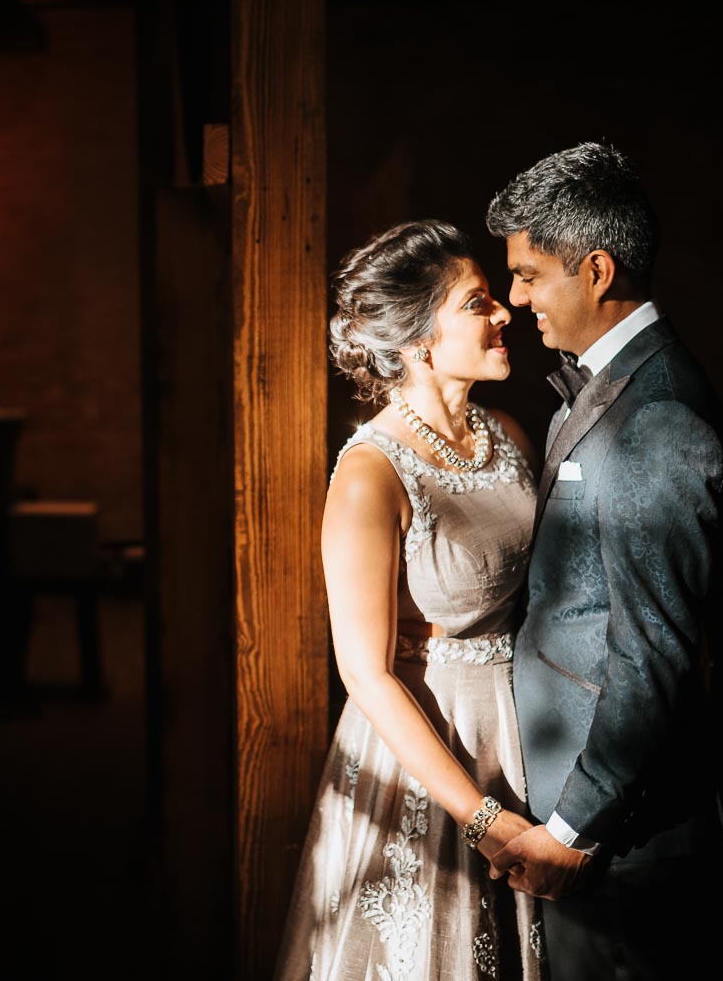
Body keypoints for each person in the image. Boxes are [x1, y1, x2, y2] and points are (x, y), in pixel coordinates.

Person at [482, 143, 723, 980]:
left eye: (528, 275)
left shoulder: (657, 416)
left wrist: (571, 829)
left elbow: (654, 651)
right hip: (580, 801)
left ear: (594, 269)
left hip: (621, 830)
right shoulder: (604, 384)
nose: (515, 300)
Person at [275, 220, 546, 981]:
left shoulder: (511, 437)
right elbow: (365, 674)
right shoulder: (371, 473)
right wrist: (480, 816)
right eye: (478, 303)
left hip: (520, 731)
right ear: (420, 338)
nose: (504, 315)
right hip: (428, 749)